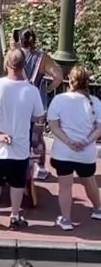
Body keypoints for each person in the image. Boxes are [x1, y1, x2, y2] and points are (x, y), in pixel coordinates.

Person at [0, 47, 45, 230]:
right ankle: (14, 216)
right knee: (17, 184)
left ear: (7, 63)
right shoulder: (31, 91)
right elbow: (38, 116)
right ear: (24, 66)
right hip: (20, 147)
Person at [46, 64, 101, 231]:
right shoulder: (96, 102)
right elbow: (99, 128)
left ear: (70, 81)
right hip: (86, 153)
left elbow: (54, 126)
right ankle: (98, 209)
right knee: (89, 181)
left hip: (64, 152)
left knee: (65, 186)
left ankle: (66, 219)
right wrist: (86, 141)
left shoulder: (59, 100)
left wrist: (69, 141)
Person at [17, 28, 63, 180]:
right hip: (37, 102)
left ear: (19, 40)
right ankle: (40, 168)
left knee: (18, 132)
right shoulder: (42, 58)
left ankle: (19, 164)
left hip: (17, 101)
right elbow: (58, 76)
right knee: (37, 136)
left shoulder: (14, 55)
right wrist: (48, 89)